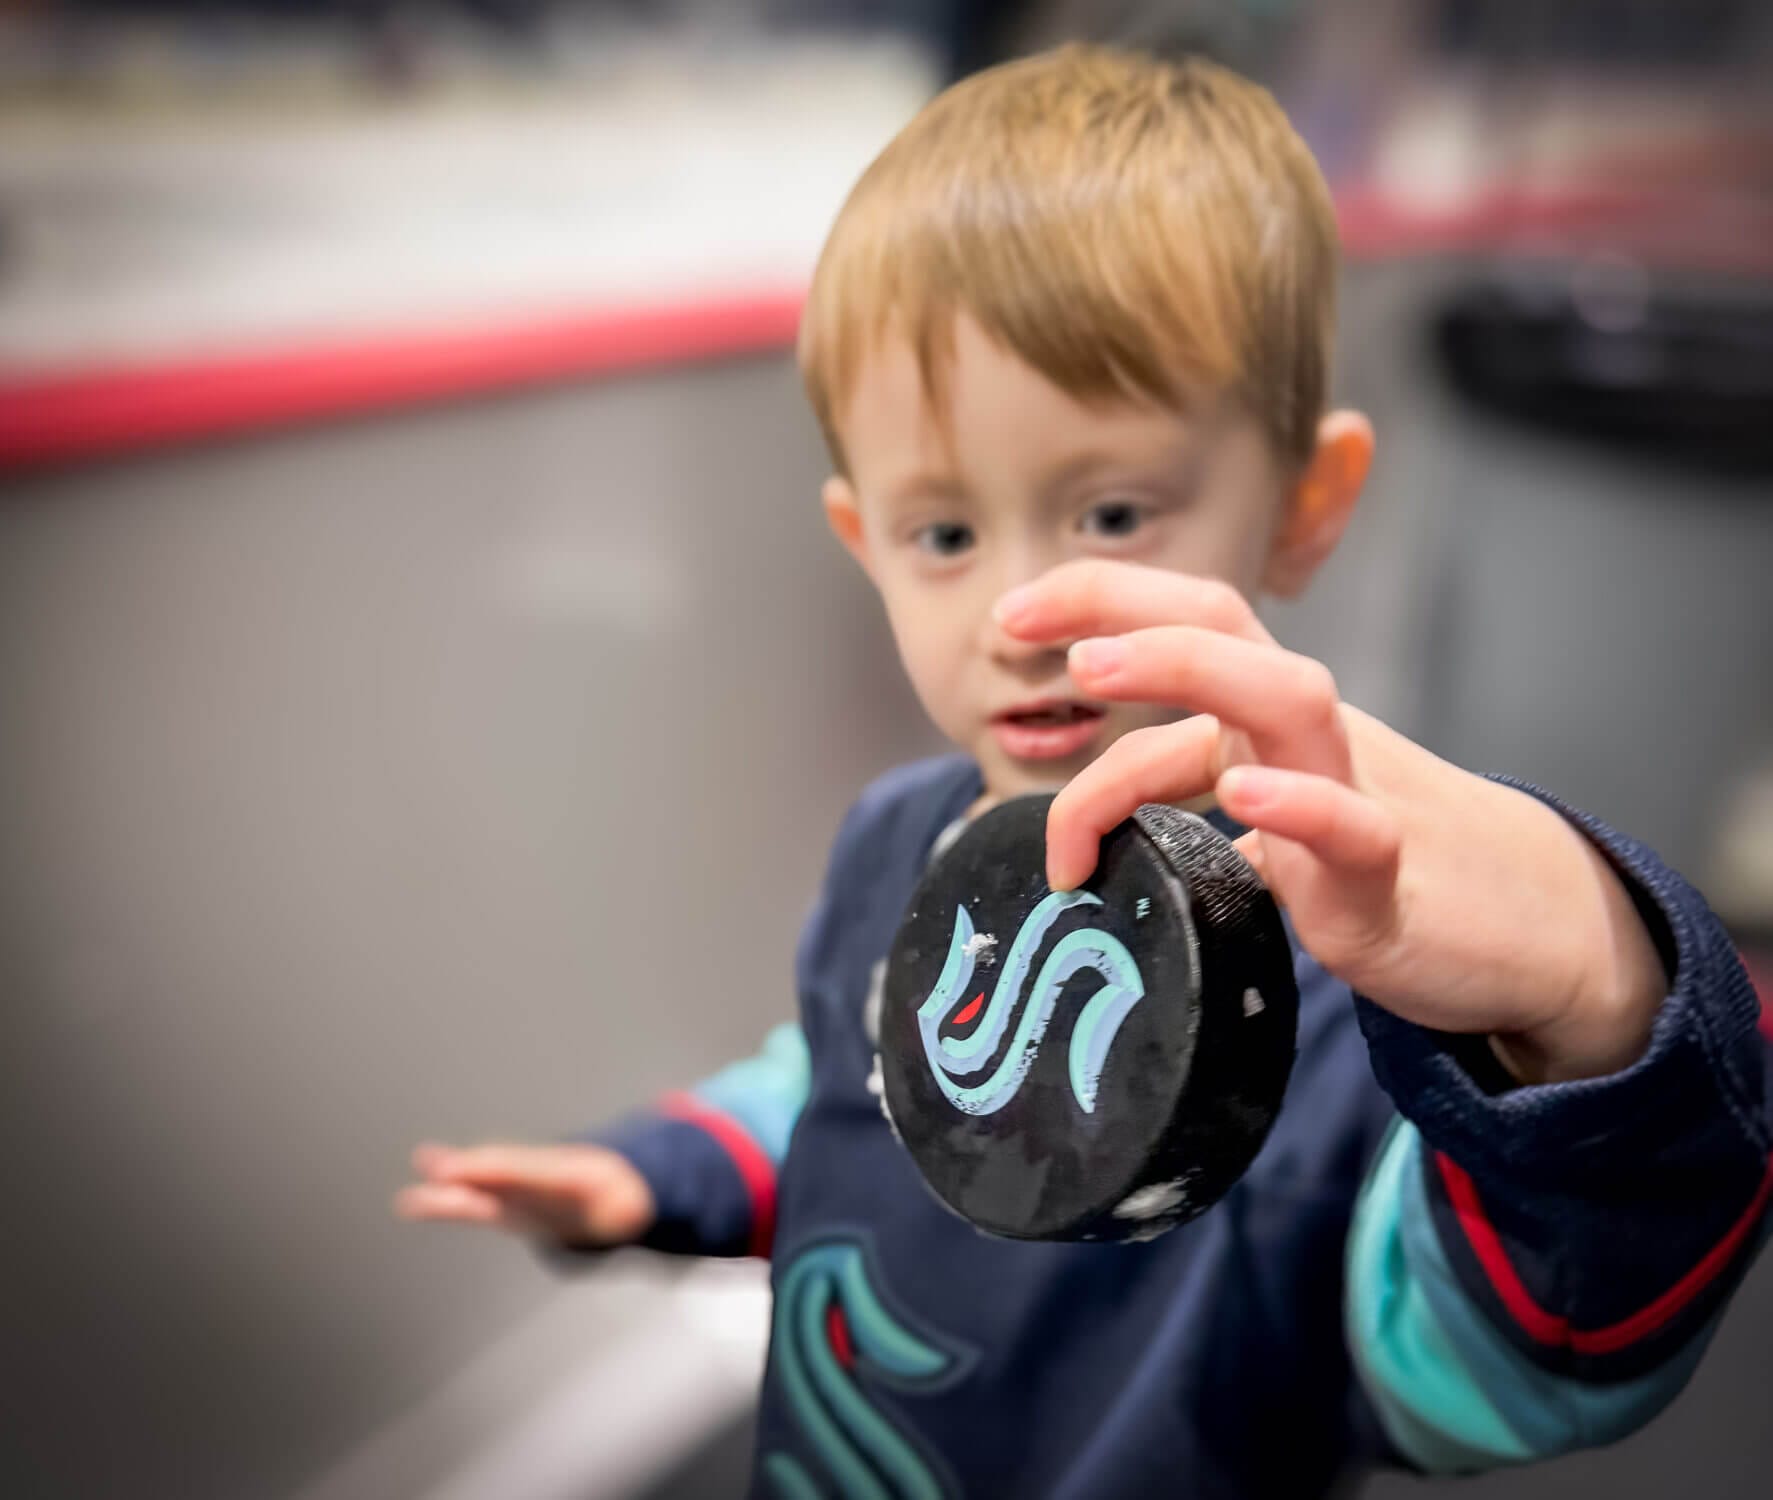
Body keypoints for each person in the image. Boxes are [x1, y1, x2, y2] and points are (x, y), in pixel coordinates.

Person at [395, 44, 1772, 1497]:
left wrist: (1589, 1016)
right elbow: (845, 1080)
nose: (1021, 614)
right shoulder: (893, 843)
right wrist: (671, 1172)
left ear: (1305, 507)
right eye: (944, 535)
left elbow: (1502, 1384)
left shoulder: (1347, 976)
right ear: (865, 546)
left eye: (1110, 510)